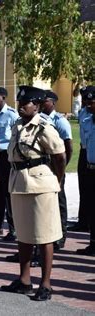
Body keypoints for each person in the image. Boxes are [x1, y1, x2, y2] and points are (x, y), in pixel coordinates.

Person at [1, 86, 66, 301]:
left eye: (25, 103)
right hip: (19, 183)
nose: (21, 107)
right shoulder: (17, 125)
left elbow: (59, 156)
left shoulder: (45, 127)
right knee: (24, 234)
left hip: (41, 185)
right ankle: (25, 280)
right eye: (20, 103)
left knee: (44, 235)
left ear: (36, 106)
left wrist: (56, 180)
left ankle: (45, 284)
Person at [41, 90, 72, 250]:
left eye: (45, 100)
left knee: (59, 202)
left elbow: (69, 147)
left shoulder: (60, 121)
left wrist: (62, 168)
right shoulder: (39, 119)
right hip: (44, 166)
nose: (41, 103)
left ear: (53, 102)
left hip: (56, 166)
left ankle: (61, 237)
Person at [0, 87, 19, 241]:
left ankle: (13, 229)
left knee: (8, 194)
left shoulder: (11, 115)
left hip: (6, 156)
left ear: (3, 98)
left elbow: (17, 137)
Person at [69, 86, 94, 232]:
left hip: (92, 153)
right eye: (84, 98)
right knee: (83, 188)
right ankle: (83, 221)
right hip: (84, 152)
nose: (86, 102)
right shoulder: (82, 113)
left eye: (89, 99)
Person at [76, 87, 95, 256]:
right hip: (88, 162)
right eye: (86, 102)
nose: (88, 105)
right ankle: (92, 242)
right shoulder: (86, 117)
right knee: (88, 198)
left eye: (92, 102)